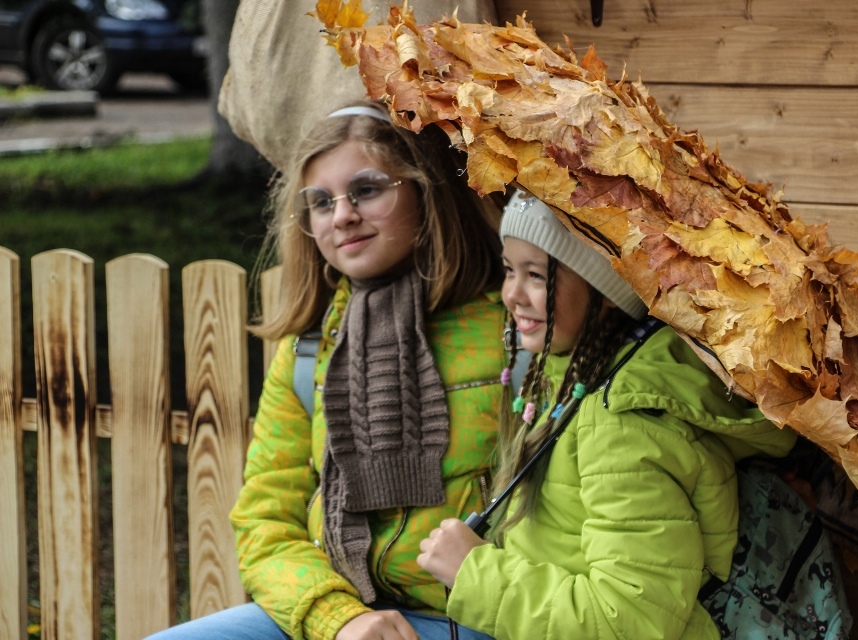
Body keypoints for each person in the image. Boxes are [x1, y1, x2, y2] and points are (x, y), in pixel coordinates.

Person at [147, 101, 506, 640]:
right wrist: (339, 620)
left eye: (367, 189)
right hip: (339, 612)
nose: (342, 216)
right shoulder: (310, 350)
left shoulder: (513, 332)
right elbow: (266, 522)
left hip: (476, 616)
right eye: (320, 202)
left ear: (425, 191)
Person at [416, 190, 799, 639]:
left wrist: (476, 575)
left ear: (607, 291)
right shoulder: (568, 375)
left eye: (537, 276)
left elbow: (631, 620)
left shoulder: (621, 424)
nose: (511, 294)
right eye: (508, 270)